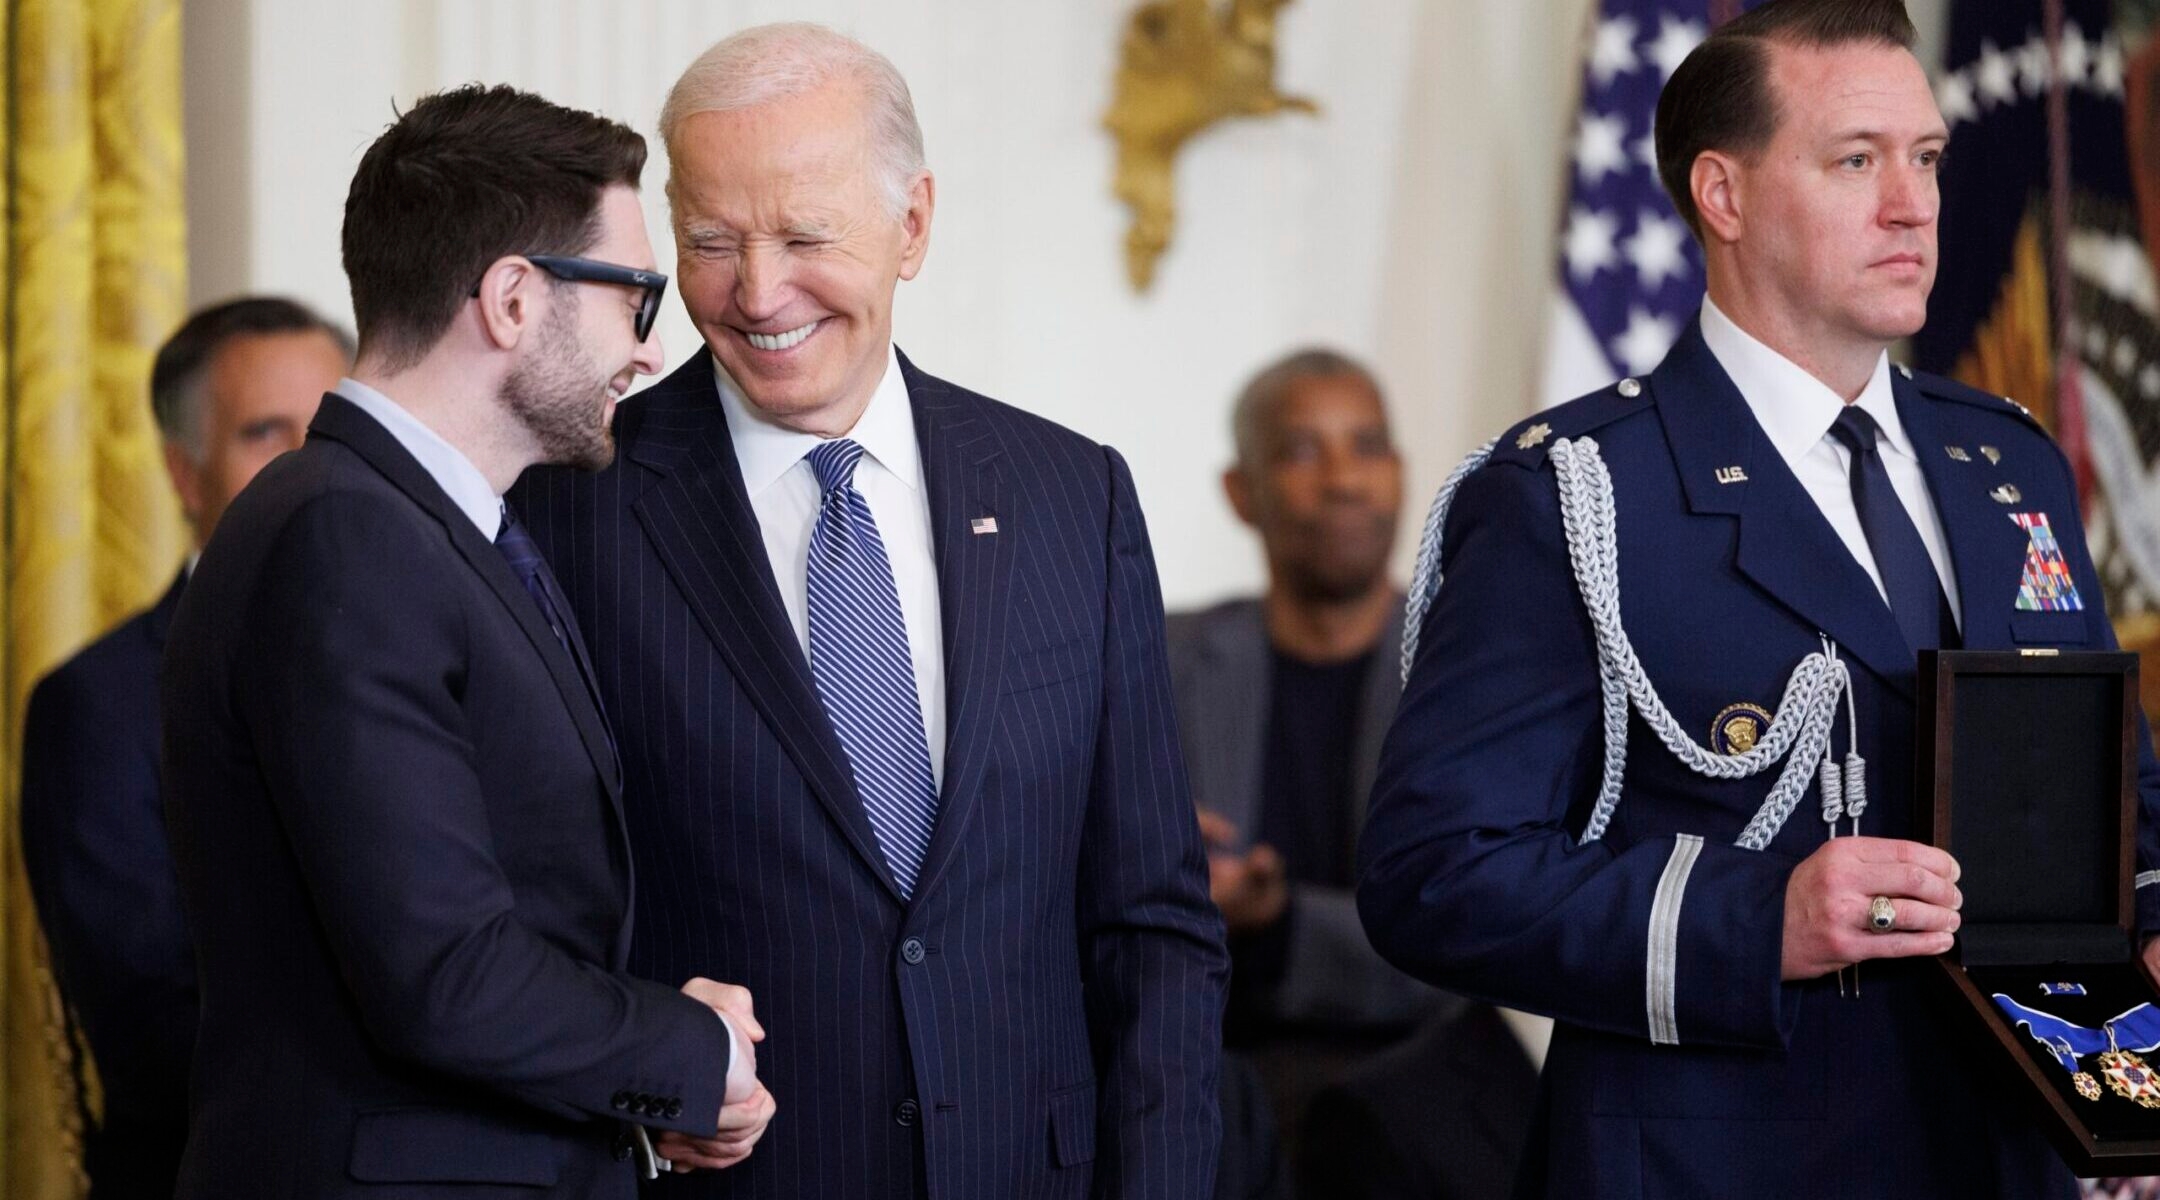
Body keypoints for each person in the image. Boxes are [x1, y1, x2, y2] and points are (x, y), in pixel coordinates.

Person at [1357, 1, 2160, 1195]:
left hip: (2006, 1153)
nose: (1915, 203)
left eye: (1927, 158)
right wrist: (1754, 919)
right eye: (1855, 161)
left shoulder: (2011, 463)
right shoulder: (1575, 493)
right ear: (1722, 197)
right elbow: (1433, 875)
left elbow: (2106, 785)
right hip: (1715, 1164)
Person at [511, 23, 1226, 1198]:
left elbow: (1153, 923)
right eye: (708, 242)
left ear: (913, 224)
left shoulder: (1068, 494)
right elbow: (522, 922)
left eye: (803, 235)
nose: (755, 291)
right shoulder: (567, 508)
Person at [160, 85, 772, 1198]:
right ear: (512, 299)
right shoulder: (349, 534)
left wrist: (648, 1070)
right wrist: (692, 1052)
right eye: (637, 298)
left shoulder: (418, 527)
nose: (649, 350)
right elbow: (443, 972)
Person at [19, 296, 349, 1200]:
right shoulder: (98, 704)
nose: (304, 462)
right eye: (261, 431)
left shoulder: (436, 651)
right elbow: (152, 1036)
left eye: (328, 425)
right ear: (182, 471)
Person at [1165, 349, 1432, 1168]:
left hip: (1420, 1093)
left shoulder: (1470, 670)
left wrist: (1279, 924)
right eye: (1303, 451)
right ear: (1241, 493)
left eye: (1368, 446)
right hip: (1204, 1089)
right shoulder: (1161, 657)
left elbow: (1461, 939)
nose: (1345, 479)